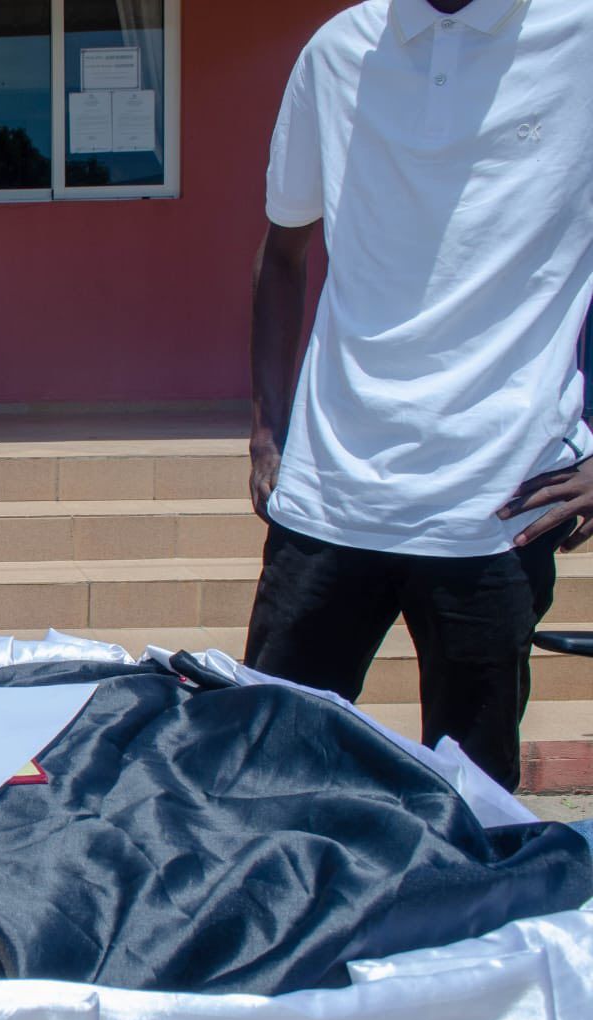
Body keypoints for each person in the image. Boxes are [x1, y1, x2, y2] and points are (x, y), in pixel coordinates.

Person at [246, 0, 593, 791]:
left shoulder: (579, 40)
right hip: (332, 496)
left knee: (471, 806)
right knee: (264, 775)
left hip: (494, 506)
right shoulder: (341, 53)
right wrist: (269, 432)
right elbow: (282, 251)